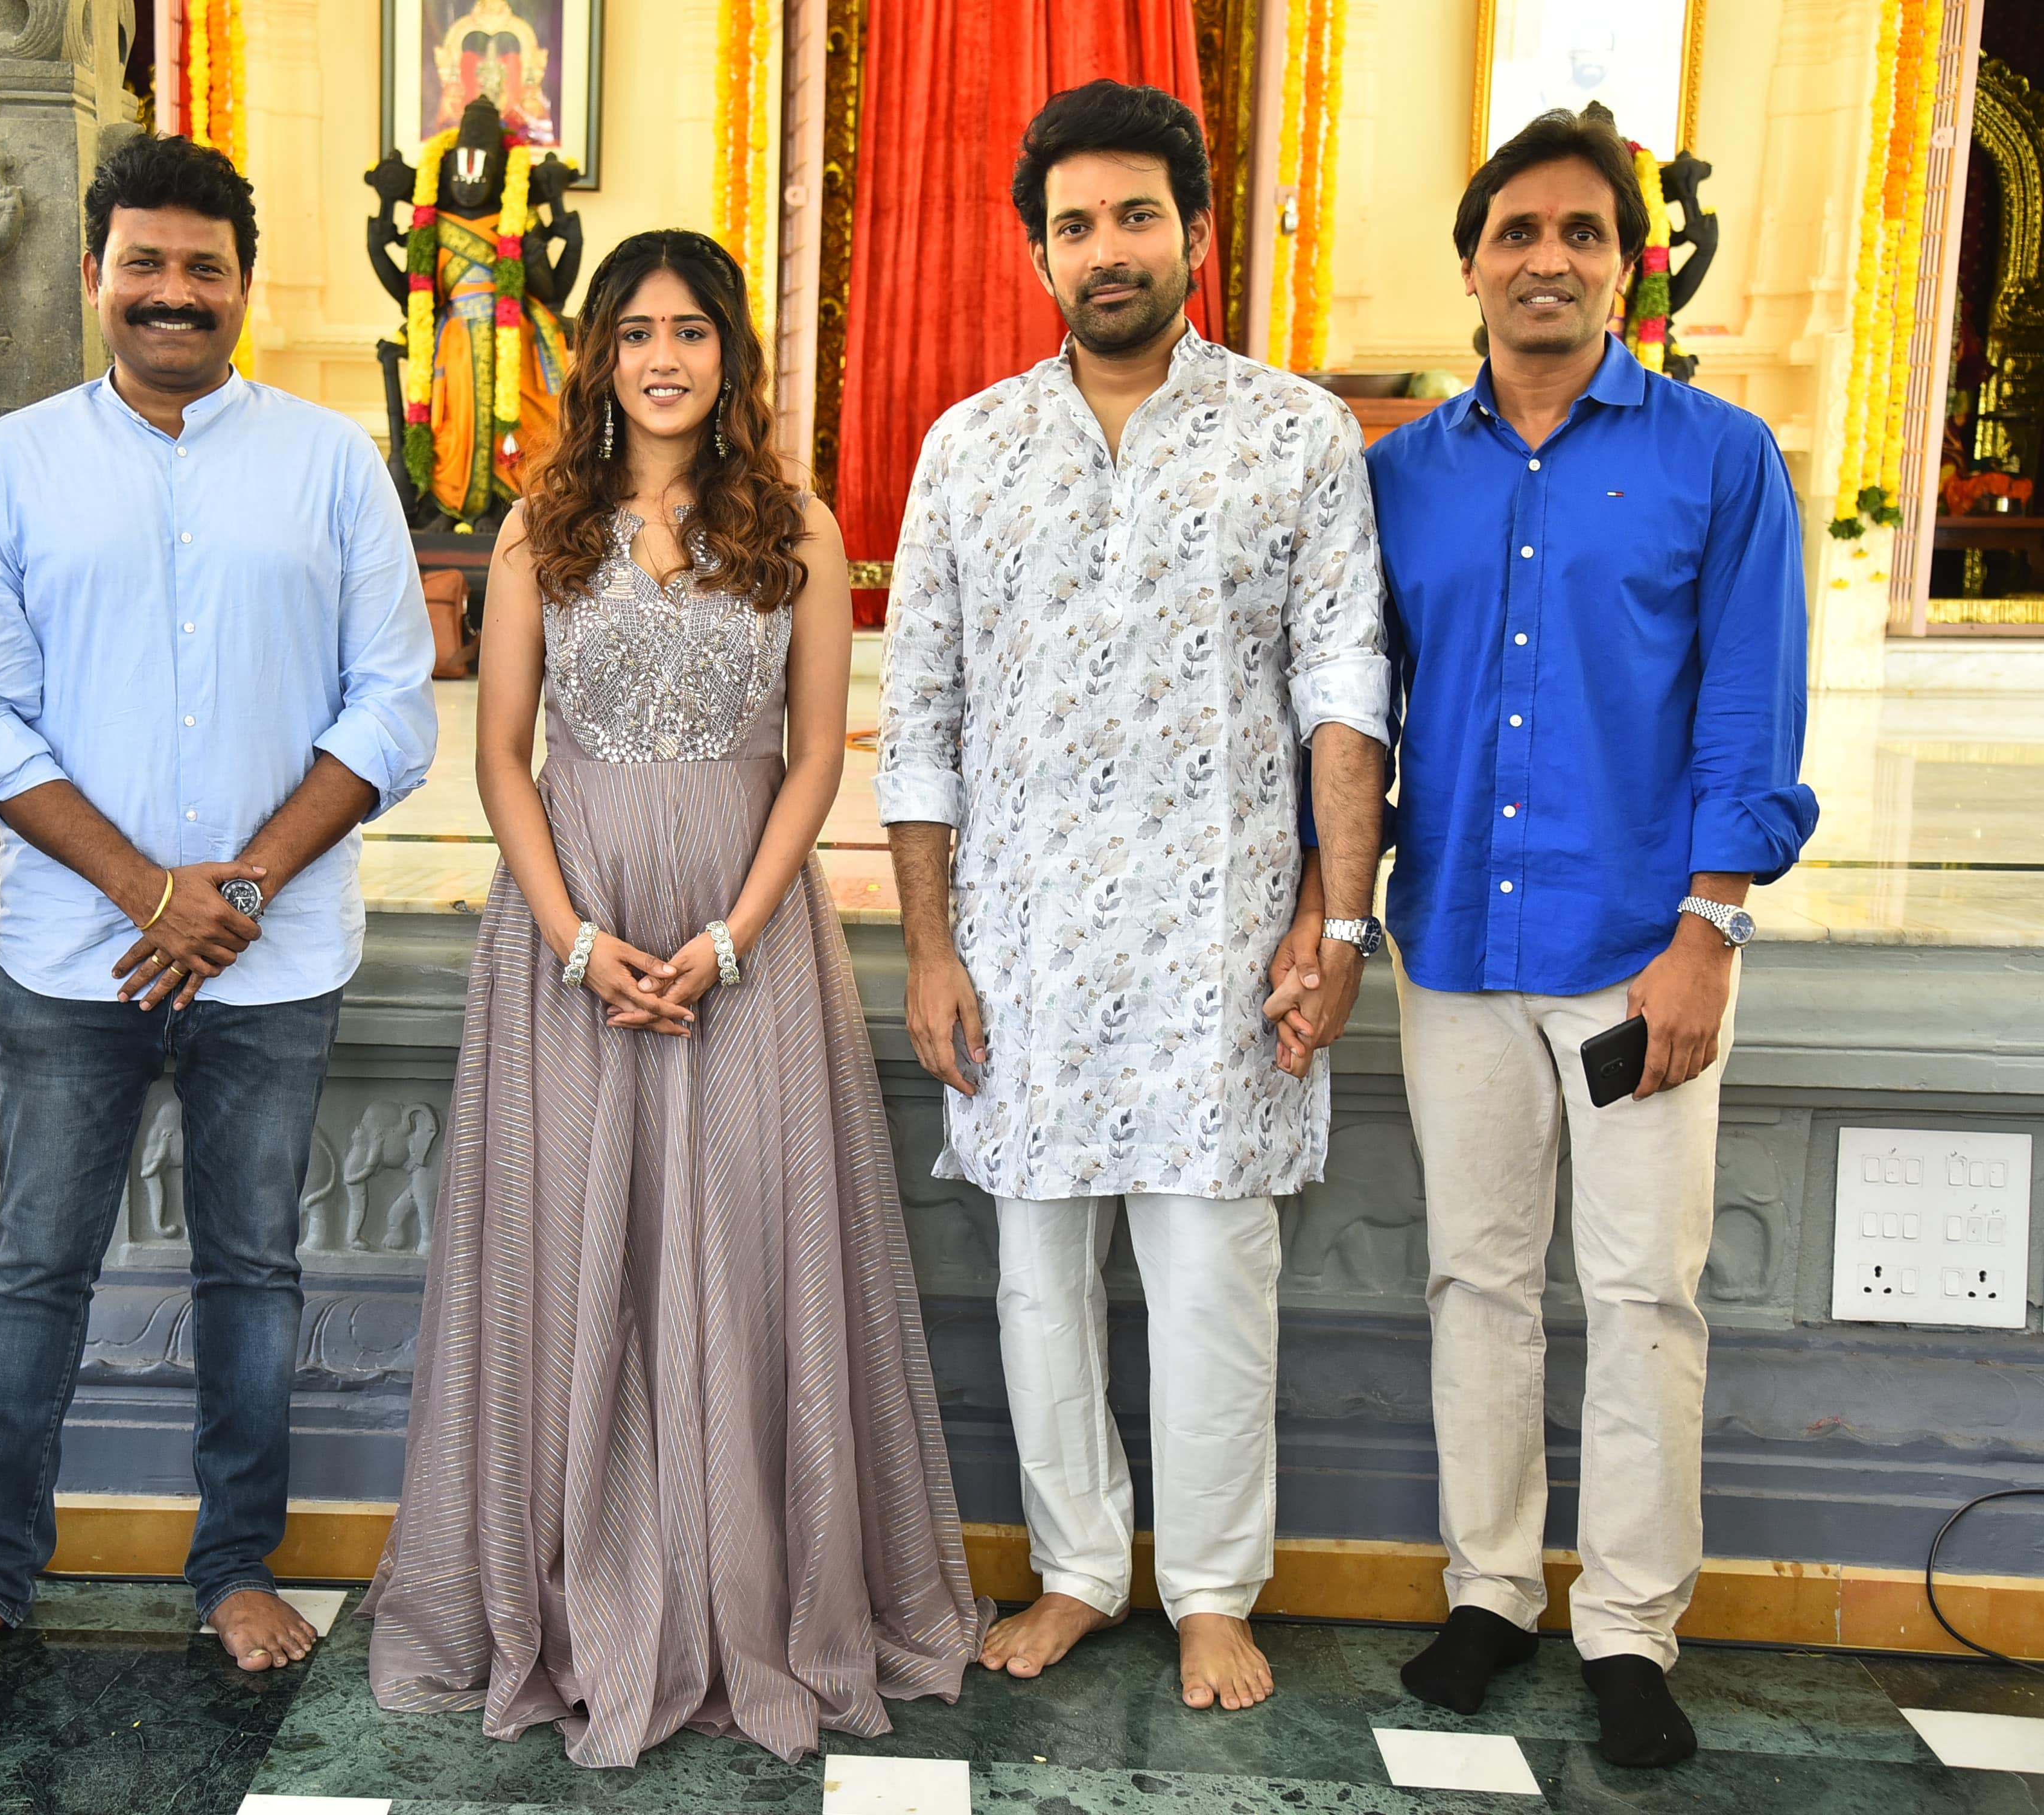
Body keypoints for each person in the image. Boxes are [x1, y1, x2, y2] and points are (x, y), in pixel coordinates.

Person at [364, 228, 989, 1767]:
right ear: (600, 355)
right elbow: (501, 753)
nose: (663, 356)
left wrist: (732, 933)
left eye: (692, 329)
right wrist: (576, 938)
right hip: (568, 947)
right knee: (574, 1248)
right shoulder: (540, 530)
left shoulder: (797, 527)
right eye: (637, 329)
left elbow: (820, 755)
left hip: (746, 949)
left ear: (729, 355)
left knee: (747, 1248)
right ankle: (570, 1596)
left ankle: (745, 1598)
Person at [0, 133, 437, 1683]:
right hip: (79, 956)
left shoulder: (331, 463)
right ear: (95, 275)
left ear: (246, 285)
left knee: (251, 1272)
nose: (174, 292)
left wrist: (239, 888)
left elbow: (394, 708)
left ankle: (236, 1566)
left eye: (205, 267)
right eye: (146, 263)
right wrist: (149, 890)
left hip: (275, 956)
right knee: (34, 1269)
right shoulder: (14, 465)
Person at [877, 80, 1390, 1711]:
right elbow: (920, 719)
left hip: (1220, 948)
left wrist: (1338, 919)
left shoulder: (1296, 435)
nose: (1107, 249)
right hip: (1021, 943)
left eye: (1136, 217)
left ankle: (1215, 1588)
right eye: (1076, 225)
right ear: (1037, 255)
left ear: (1195, 234)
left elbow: (1345, 689)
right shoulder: (971, 448)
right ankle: (1081, 1571)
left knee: (1213, 1273)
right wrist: (931, 947)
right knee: (1038, 1276)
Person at [1365, 108, 1817, 1768]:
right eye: (1517, 232)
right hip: (1453, 947)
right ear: (1471, 265)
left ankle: (1629, 1627)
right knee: (1476, 1281)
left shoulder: (1718, 459)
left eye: (1582, 233)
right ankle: (1490, 1591)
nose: (1546, 259)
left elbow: (1750, 704)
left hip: (1640, 950)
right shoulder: (1400, 475)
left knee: (1638, 1295)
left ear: (1629, 268)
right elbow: (1354, 708)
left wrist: (1709, 929)